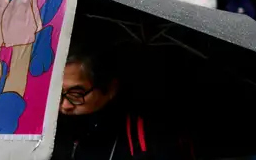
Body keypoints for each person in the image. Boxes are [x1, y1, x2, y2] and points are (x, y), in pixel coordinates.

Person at [52, 50, 193, 159]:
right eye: (57, 90)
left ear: (110, 89)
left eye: (76, 94)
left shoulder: (148, 140)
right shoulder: (47, 123)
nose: (64, 105)